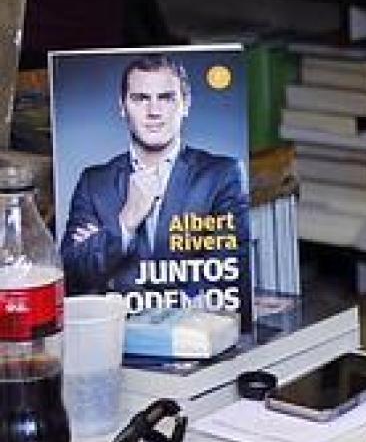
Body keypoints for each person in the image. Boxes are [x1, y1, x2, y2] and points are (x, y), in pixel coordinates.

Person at [61, 55, 246, 303]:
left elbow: (228, 274)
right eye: (141, 99)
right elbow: (72, 275)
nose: (154, 111)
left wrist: (105, 255)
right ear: (122, 106)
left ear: (186, 104)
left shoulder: (222, 175)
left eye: (166, 98)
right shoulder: (94, 182)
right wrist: (125, 222)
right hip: (115, 332)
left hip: (190, 332)